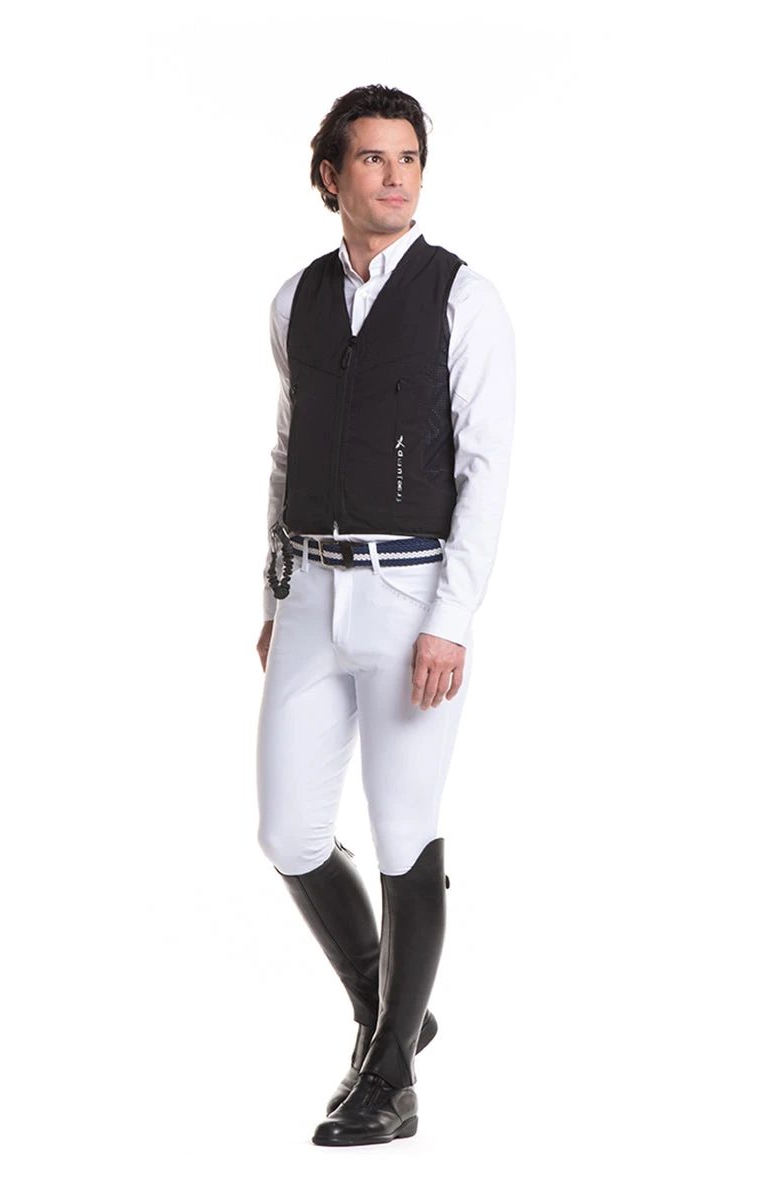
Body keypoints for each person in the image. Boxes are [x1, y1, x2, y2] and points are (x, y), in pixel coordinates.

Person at [255, 83, 515, 1146]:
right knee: (288, 829)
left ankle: (391, 1075)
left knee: (404, 829)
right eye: (372, 158)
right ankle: (391, 1011)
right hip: (310, 589)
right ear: (332, 176)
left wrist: (453, 616)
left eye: (408, 157)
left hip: (411, 595)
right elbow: (287, 450)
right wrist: (271, 594)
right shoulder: (297, 300)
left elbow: (488, 468)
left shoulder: (464, 298)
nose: (396, 175)